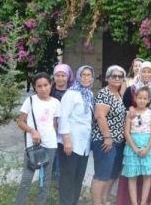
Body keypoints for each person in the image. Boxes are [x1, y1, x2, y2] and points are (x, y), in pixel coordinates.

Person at [15, 72, 61, 205]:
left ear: (51, 84)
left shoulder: (56, 103)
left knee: (45, 181)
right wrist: (32, 131)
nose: (43, 88)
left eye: (46, 85)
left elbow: (54, 124)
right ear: (35, 87)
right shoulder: (30, 101)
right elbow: (20, 122)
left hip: (51, 145)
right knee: (26, 180)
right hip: (33, 145)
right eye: (39, 86)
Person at [91, 65, 127, 205]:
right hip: (104, 141)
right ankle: (97, 202)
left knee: (111, 174)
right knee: (102, 174)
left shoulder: (118, 94)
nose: (117, 78)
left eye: (120, 76)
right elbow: (100, 116)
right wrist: (107, 137)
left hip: (117, 142)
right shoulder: (104, 93)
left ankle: (104, 200)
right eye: (114, 76)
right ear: (107, 78)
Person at [58, 65, 95, 205]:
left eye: (89, 75)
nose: (86, 77)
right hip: (71, 142)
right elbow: (63, 118)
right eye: (83, 75)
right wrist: (67, 141)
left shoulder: (89, 94)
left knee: (78, 177)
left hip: (84, 144)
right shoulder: (71, 94)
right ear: (78, 77)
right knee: (68, 176)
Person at [122, 87, 151, 205]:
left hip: (148, 146)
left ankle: (143, 202)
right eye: (139, 98)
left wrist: (147, 148)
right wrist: (135, 148)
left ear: (148, 100)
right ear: (135, 98)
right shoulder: (130, 113)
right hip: (132, 145)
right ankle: (134, 203)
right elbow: (126, 132)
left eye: (145, 98)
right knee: (132, 176)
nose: (142, 100)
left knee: (147, 175)